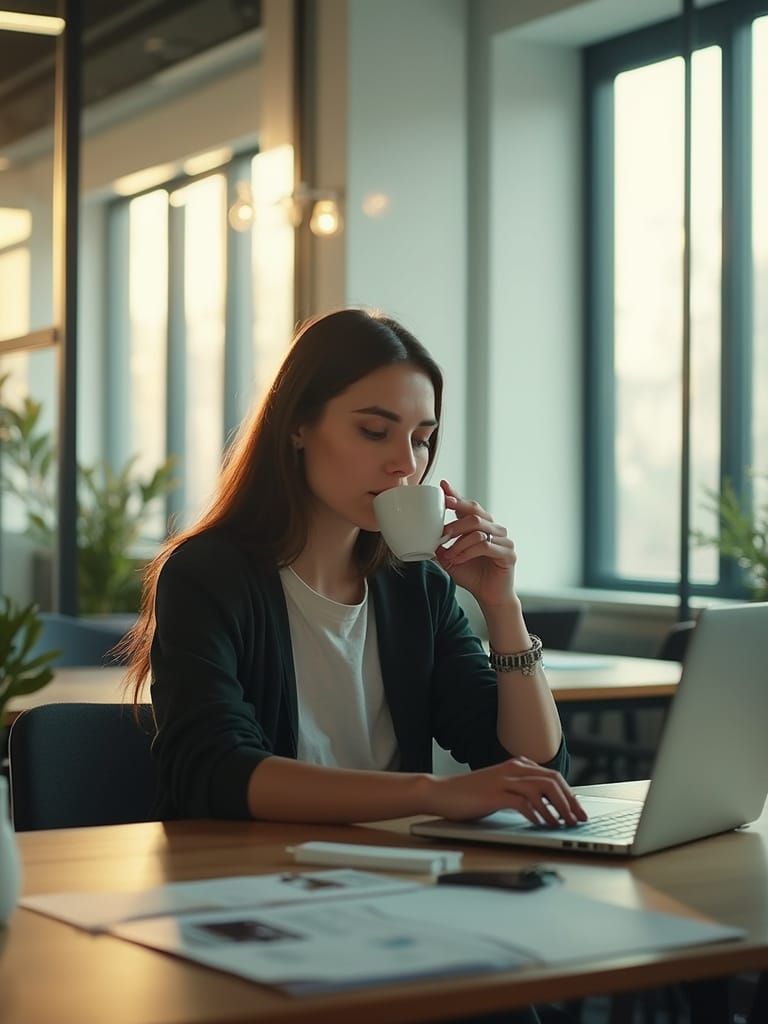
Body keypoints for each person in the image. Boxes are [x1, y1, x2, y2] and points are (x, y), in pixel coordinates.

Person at [123, 307, 585, 1024]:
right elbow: (217, 771)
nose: (407, 463)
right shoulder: (209, 574)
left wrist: (501, 604)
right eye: (374, 431)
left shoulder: (415, 587)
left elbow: (523, 755)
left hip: (387, 889)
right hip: (249, 899)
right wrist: (432, 795)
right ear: (298, 426)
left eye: (423, 439)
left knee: (516, 997)